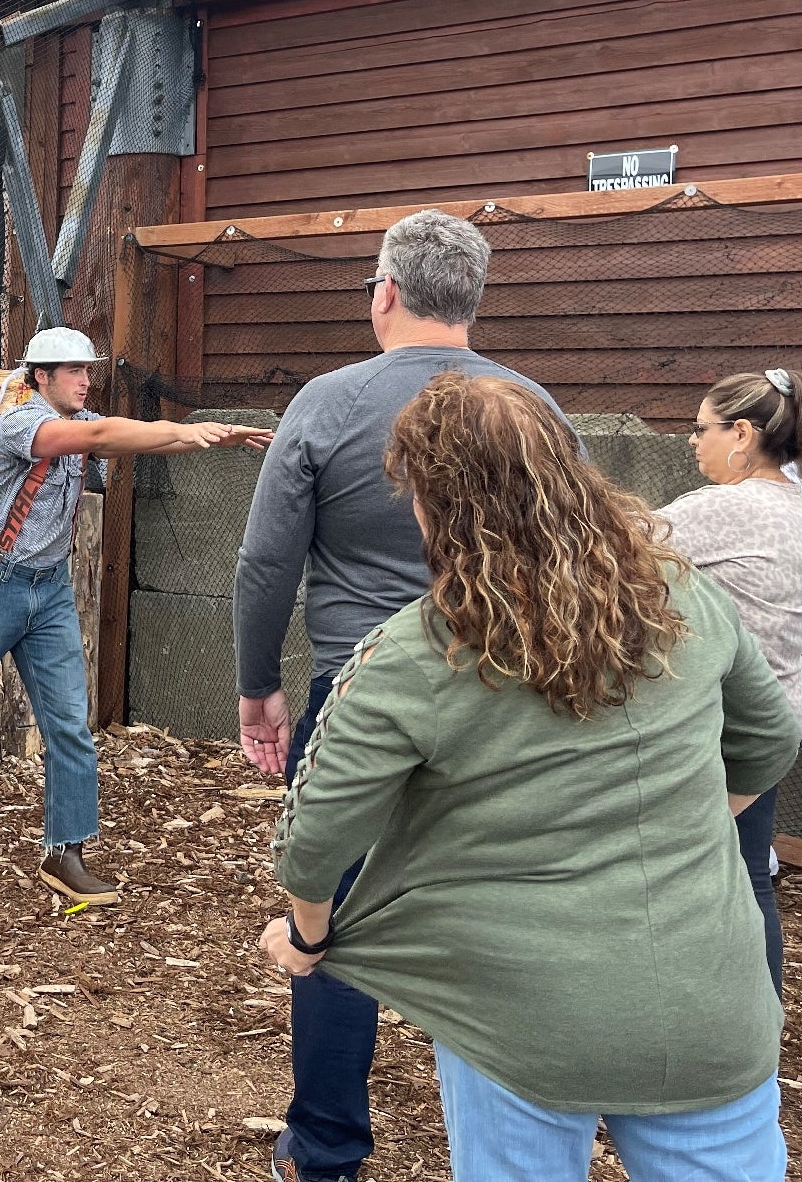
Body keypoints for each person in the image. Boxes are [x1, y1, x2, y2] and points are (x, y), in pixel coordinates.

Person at [263, 372, 801, 1182]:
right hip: (712, 1007)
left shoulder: (413, 652)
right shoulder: (681, 593)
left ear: (435, 507)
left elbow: (314, 839)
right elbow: (768, 742)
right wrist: (676, 825)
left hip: (517, 1023)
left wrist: (309, 936)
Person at [232, 209, 572, 1182]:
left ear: (382, 293)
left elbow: (265, 562)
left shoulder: (326, 402)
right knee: (500, 910)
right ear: (470, 300)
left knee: (327, 920)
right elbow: (583, 561)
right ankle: (518, 1137)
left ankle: (328, 1150)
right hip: (505, 695)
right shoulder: (531, 407)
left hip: (360, 692)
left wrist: (259, 687)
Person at [0, 327, 271, 904]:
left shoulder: (80, 428)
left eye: (88, 370)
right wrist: (182, 426)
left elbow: (137, 441)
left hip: (49, 593)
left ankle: (66, 852)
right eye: (73, 371)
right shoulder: (21, 425)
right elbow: (104, 432)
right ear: (41, 378)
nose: (85, 379)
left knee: (69, 723)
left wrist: (214, 438)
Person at [656, 368, 802, 995]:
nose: (693, 442)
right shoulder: (794, 504)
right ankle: (760, 1030)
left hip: (719, 724)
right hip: (775, 719)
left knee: (682, 880)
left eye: (702, 429)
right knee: (749, 874)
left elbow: (602, 550)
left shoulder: (724, 508)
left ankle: (708, 1028)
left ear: (743, 433)